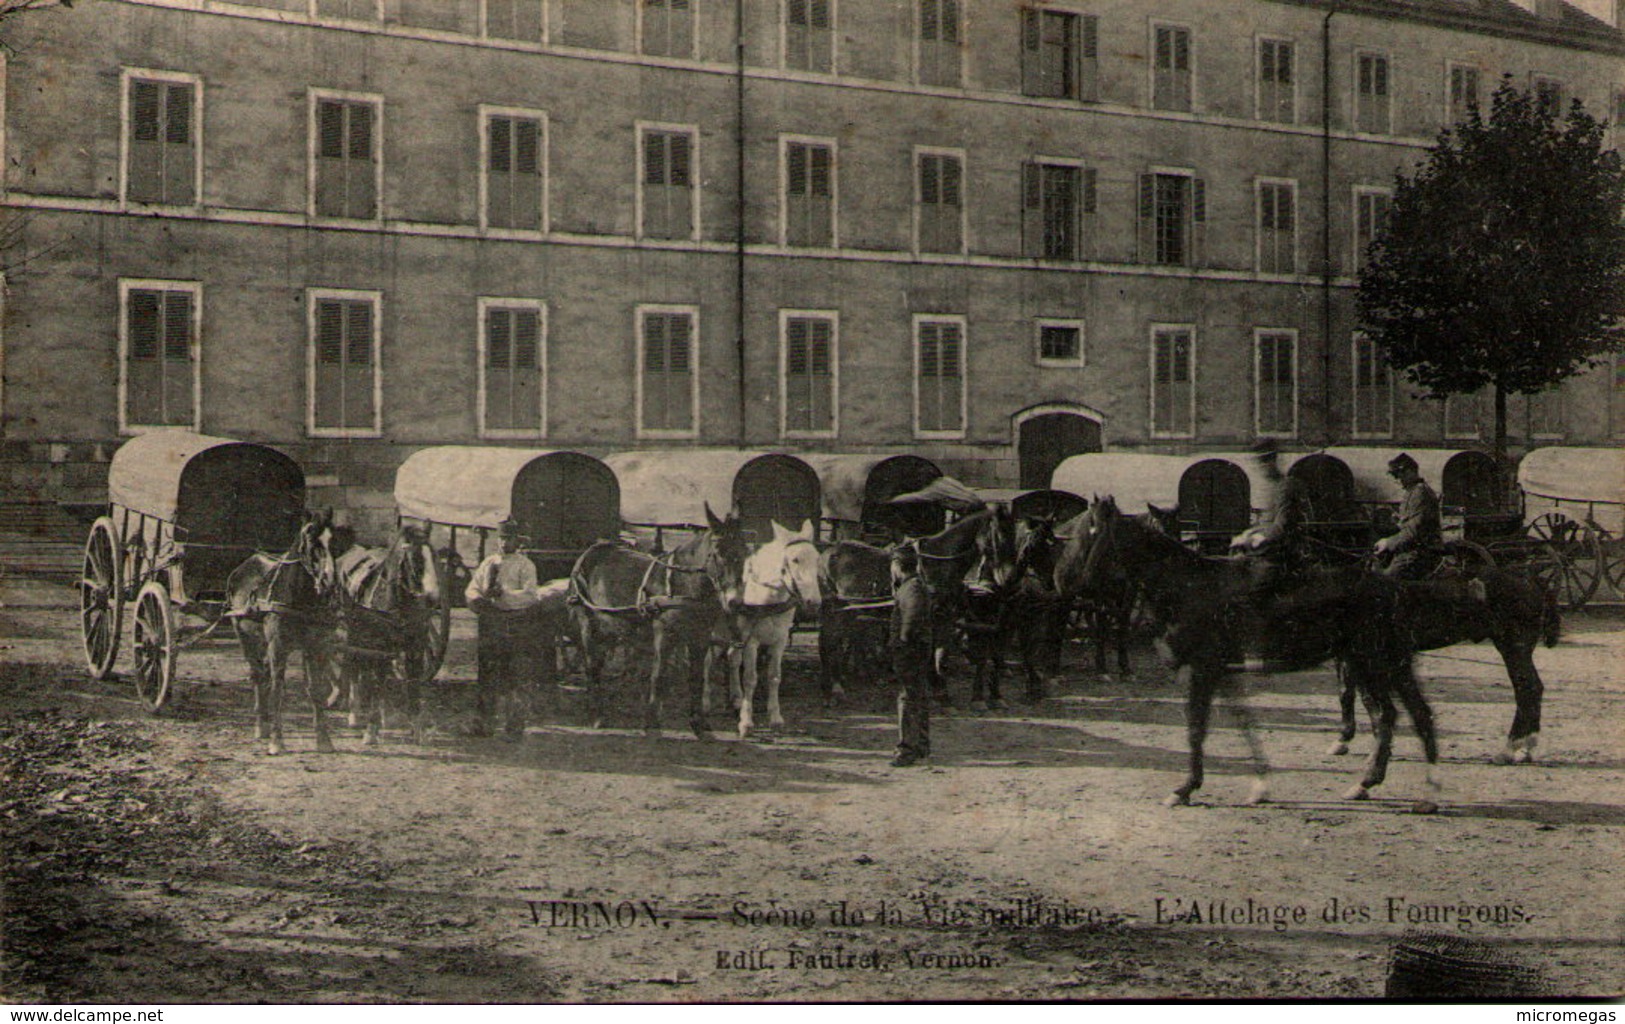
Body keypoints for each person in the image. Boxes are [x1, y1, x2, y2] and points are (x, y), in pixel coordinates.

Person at [465, 517, 543, 738]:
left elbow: (530, 596)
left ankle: (514, 725)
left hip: (514, 625)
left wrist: (504, 595)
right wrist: (477, 599)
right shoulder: (489, 563)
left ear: (517, 541)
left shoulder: (525, 565)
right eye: (500, 538)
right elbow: (473, 588)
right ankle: (483, 723)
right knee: (487, 673)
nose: (503, 543)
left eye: (508, 538)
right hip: (490, 624)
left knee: (513, 676)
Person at [889, 546, 934, 768]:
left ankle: (906, 750)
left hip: (910, 652)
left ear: (897, 566)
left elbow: (912, 619)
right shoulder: (912, 586)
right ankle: (922, 746)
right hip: (915, 650)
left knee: (908, 699)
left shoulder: (912, 588)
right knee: (919, 697)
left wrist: (902, 644)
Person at [1375, 452, 1442, 579]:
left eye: (1398, 474)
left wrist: (1388, 543)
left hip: (1419, 553)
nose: (1396, 479)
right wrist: (1398, 521)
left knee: (1383, 578)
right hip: (1411, 549)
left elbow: (1413, 531)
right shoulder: (1412, 491)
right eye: (1394, 476)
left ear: (1411, 471)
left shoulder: (1419, 493)